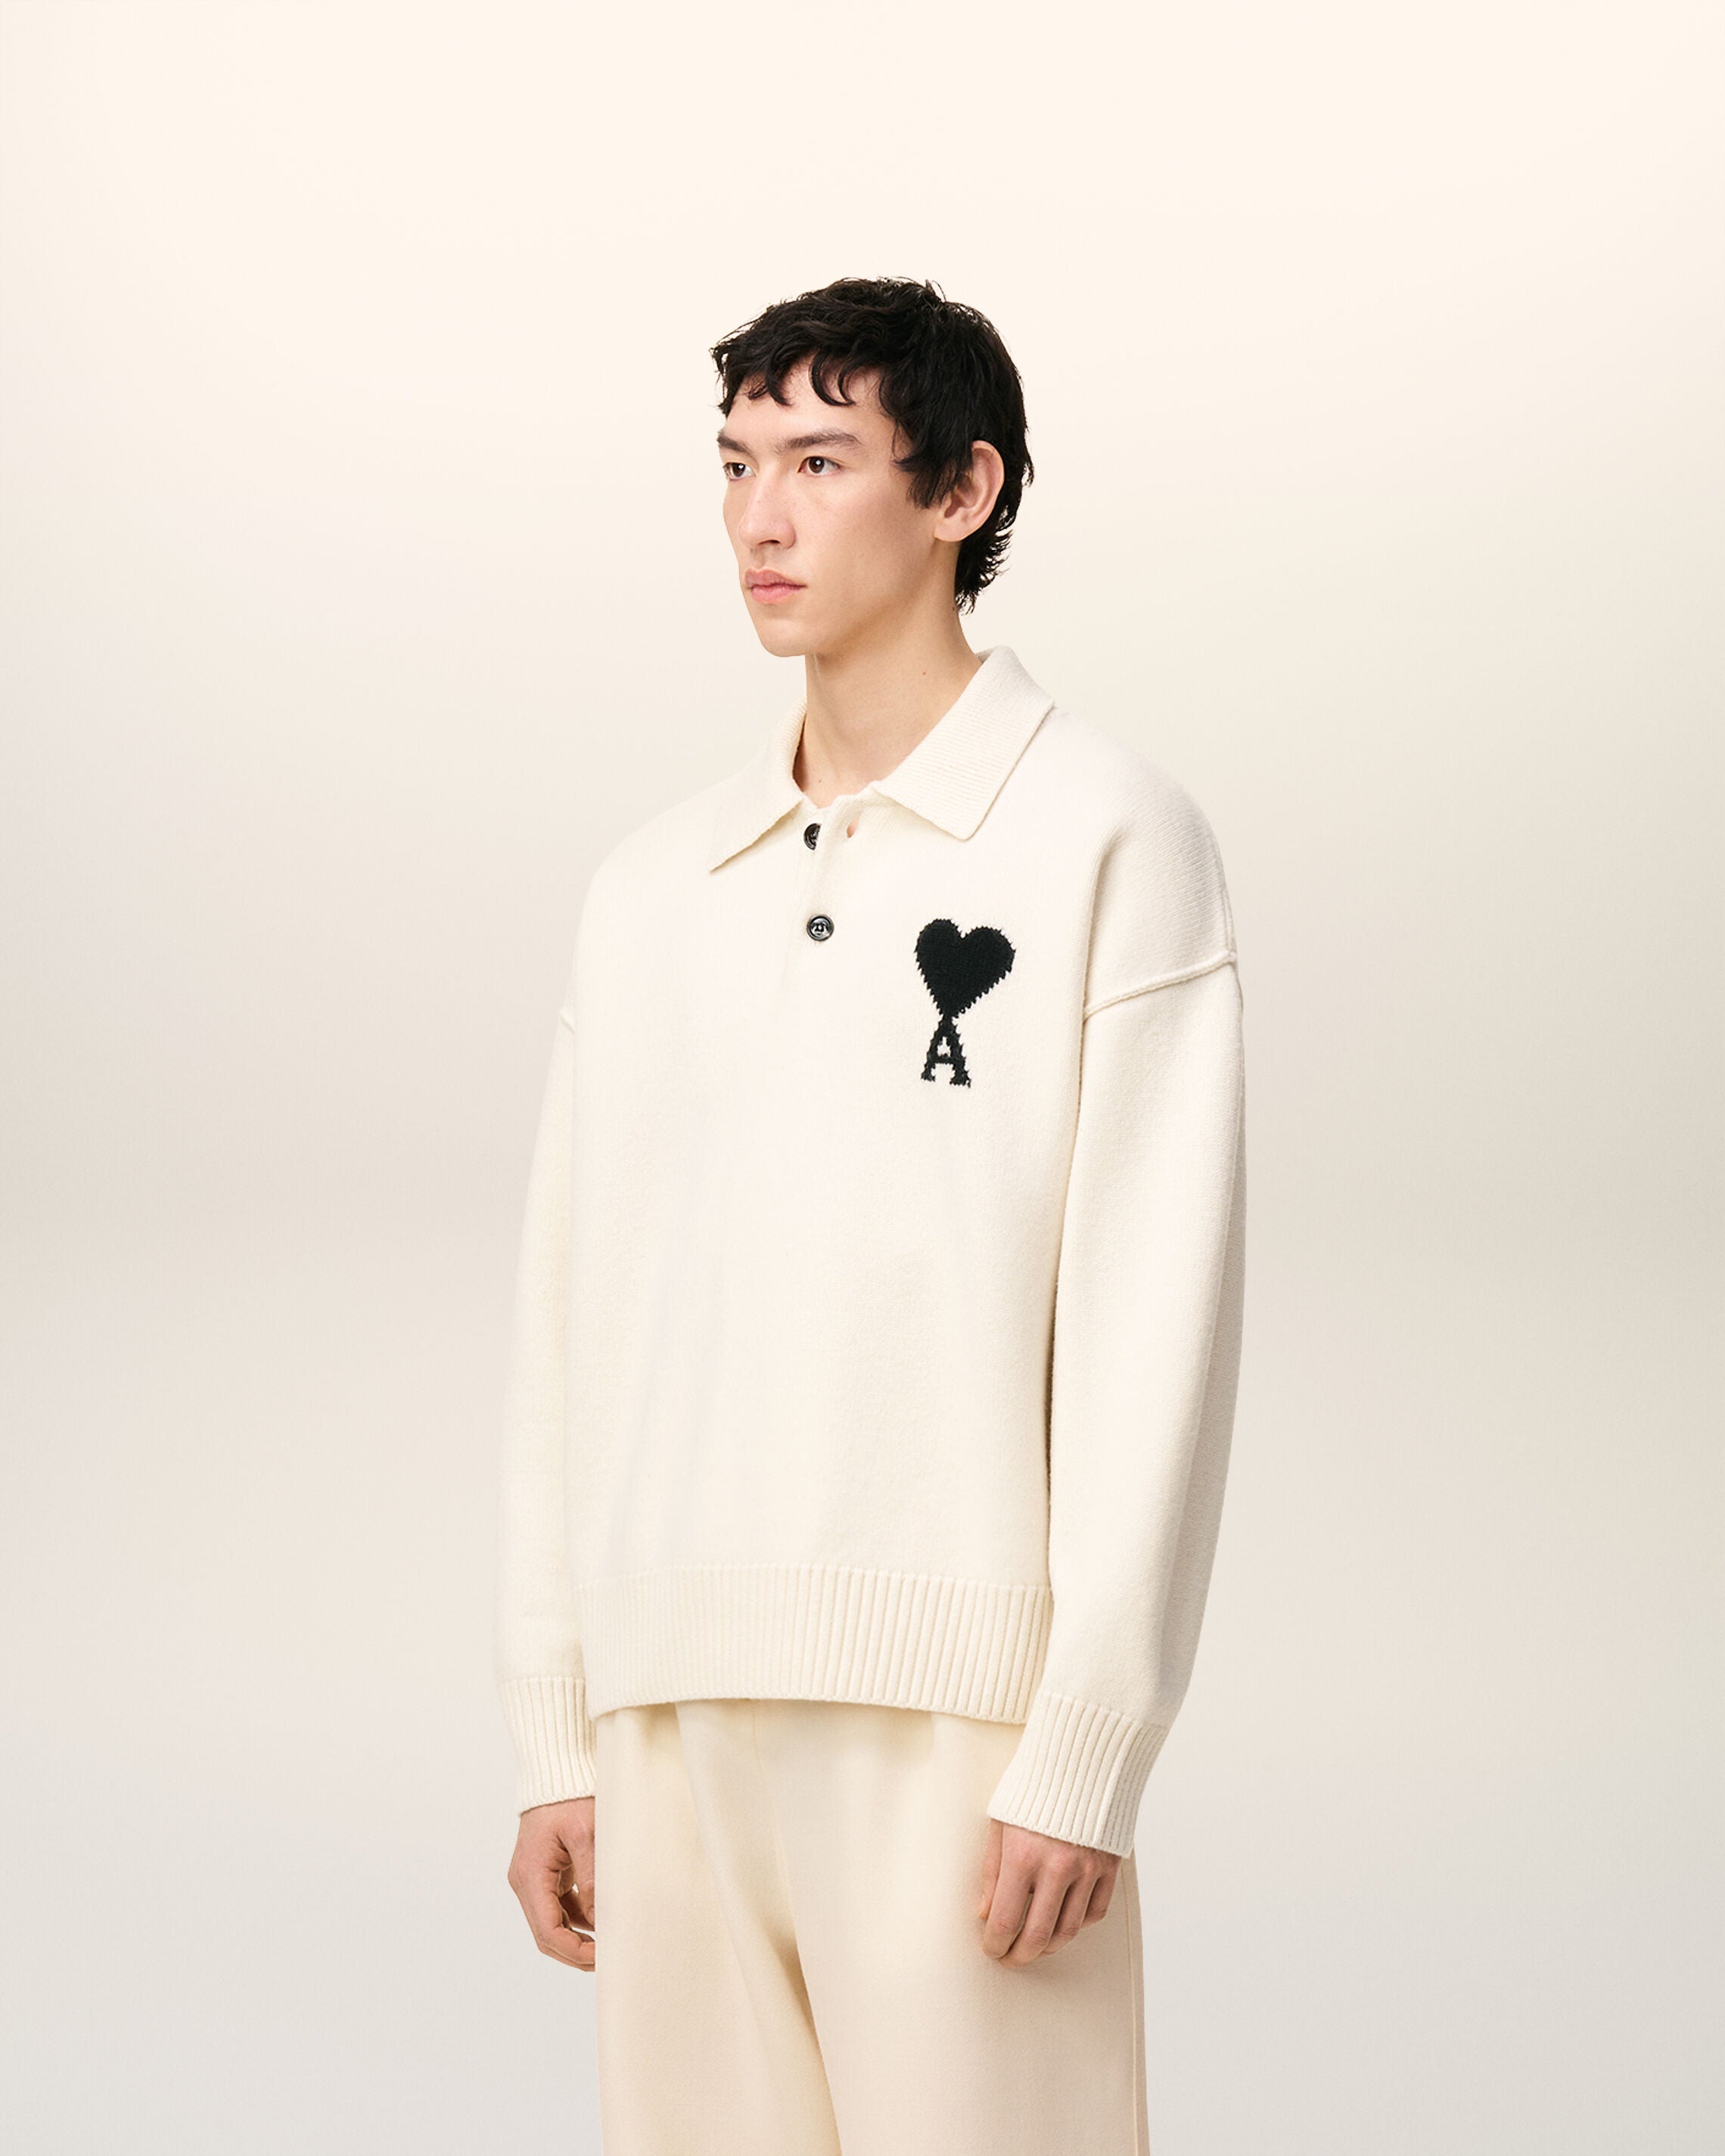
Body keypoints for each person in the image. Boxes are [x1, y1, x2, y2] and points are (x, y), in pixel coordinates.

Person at [493, 275, 1247, 2155]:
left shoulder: (1107, 836)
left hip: (961, 1735)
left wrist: (1088, 1744)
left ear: (961, 490)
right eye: (737, 463)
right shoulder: (651, 888)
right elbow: (571, 1328)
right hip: (670, 1716)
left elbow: (1153, 1321)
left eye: (821, 463)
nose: (761, 517)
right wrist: (558, 1731)